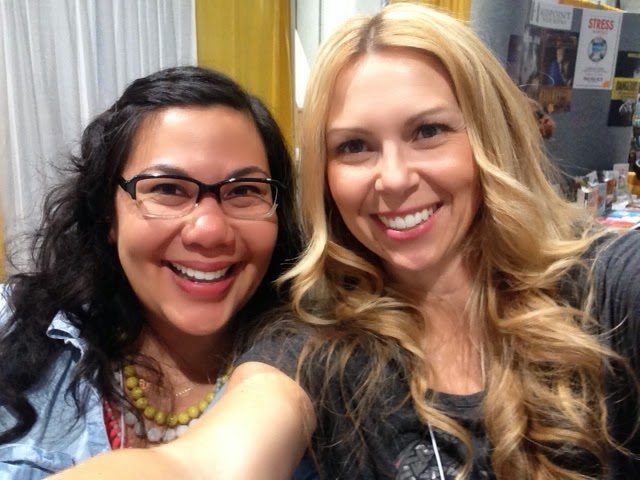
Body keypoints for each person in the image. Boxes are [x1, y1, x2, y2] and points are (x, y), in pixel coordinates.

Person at [51, 4, 640, 479]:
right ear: (324, 177)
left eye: (428, 131)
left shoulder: (606, 288)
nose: (394, 178)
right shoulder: (315, 339)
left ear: (491, 137)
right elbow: (206, 464)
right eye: (354, 146)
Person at [0, 65, 315, 479]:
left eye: (244, 191)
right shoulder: (13, 324)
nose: (210, 231)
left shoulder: (320, 364)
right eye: (167, 189)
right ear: (108, 214)